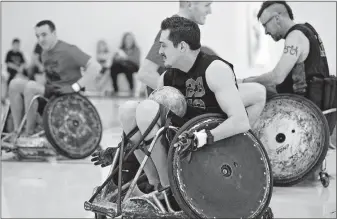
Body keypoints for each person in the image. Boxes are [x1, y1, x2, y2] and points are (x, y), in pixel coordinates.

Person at [92, 17, 251, 200]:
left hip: (211, 147)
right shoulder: (166, 78)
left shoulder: (214, 69)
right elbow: (148, 126)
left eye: (164, 45)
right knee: (128, 109)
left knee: (147, 109)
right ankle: (157, 183)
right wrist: (120, 152)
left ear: (182, 47)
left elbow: (241, 121)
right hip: (176, 145)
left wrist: (203, 137)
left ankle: (167, 187)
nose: (159, 52)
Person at [136, 1, 267, 127]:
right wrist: (181, 97)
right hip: (176, 102)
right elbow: (145, 73)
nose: (209, 11)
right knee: (258, 93)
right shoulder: (172, 31)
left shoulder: (185, 31)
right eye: (207, 5)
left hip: (191, 90)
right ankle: (234, 142)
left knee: (257, 89)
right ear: (190, 4)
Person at [242, 1, 336, 139]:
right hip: (318, 104)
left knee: (252, 90)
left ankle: (244, 139)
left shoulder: (295, 36)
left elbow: (277, 77)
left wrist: (246, 81)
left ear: (277, 18)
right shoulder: (308, 31)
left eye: (265, 25)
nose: (266, 32)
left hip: (303, 107)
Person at [7, 20, 101, 138]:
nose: (40, 39)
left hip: (68, 95)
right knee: (14, 83)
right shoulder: (44, 53)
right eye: (37, 36)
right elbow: (50, 77)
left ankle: (28, 134)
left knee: (30, 87)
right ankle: (17, 131)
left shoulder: (69, 50)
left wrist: (75, 87)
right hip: (53, 93)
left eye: (44, 35)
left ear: (54, 33)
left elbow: (96, 67)